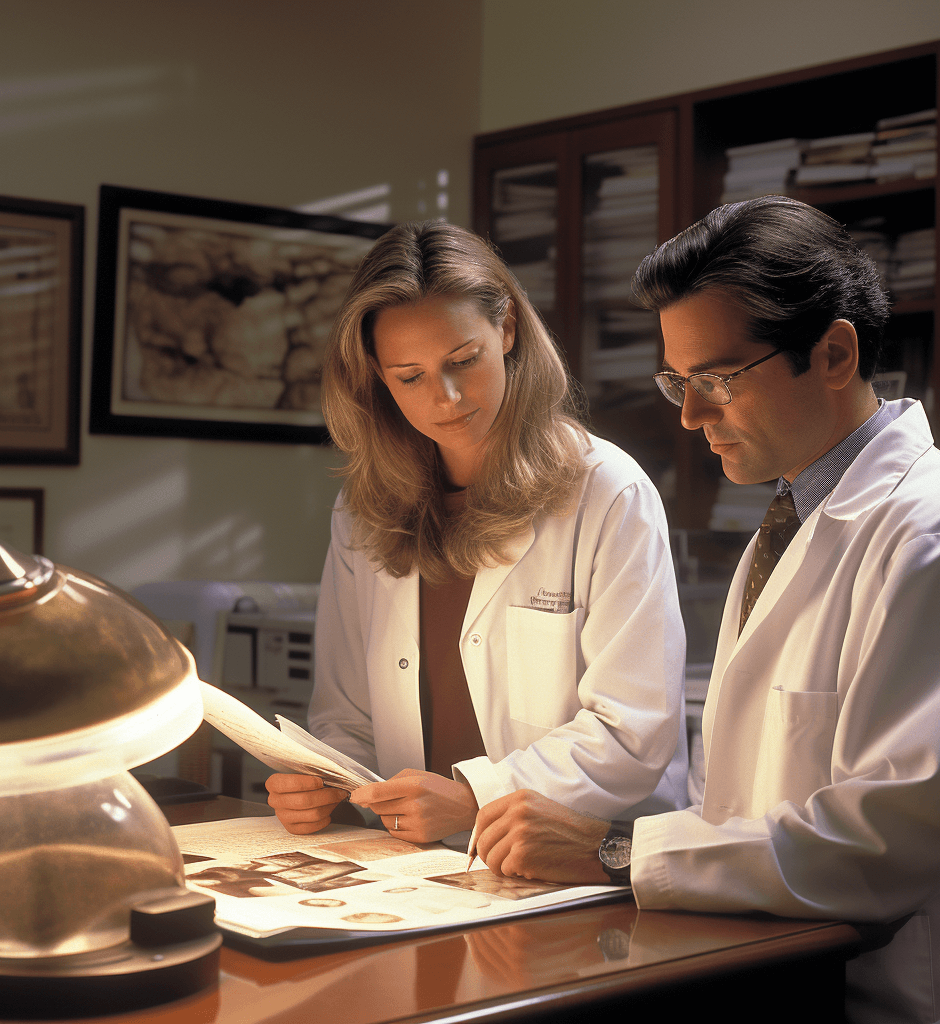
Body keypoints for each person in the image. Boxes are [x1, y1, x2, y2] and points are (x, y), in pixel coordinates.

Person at [471, 196, 940, 1023]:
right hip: (775, 972)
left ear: (834, 353)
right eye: (678, 382)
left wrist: (618, 852)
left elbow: (892, 840)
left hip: (901, 1001)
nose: (690, 415)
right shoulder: (792, 519)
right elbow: (742, 806)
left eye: (716, 380)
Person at [266, 221, 688, 844]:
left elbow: (631, 731)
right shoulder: (362, 510)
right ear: (379, 379)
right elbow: (345, 714)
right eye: (410, 377)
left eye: (464, 360)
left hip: (580, 861)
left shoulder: (606, 491)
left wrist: (474, 798)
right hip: (416, 867)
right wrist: (322, 778)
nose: (448, 396)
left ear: (508, 329)